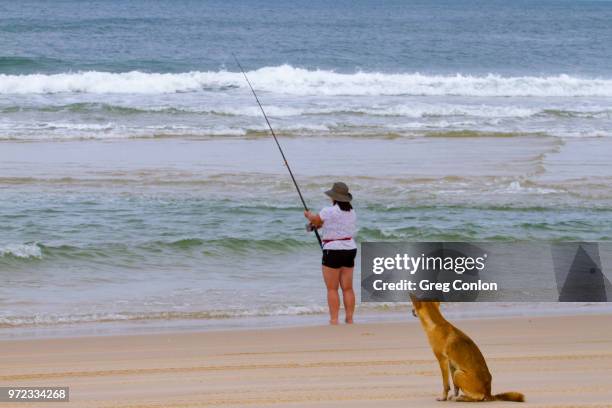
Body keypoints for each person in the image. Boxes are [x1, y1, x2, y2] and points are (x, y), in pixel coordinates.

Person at [304, 182, 357, 325]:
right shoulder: (352, 212)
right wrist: (314, 223)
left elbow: (316, 220)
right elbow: (323, 224)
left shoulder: (328, 211)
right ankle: (350, 318)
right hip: (349, 249)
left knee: (332, 289)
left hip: (332, 250)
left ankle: (334, 320)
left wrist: (309, 215)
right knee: (348, 288)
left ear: (334, 197)